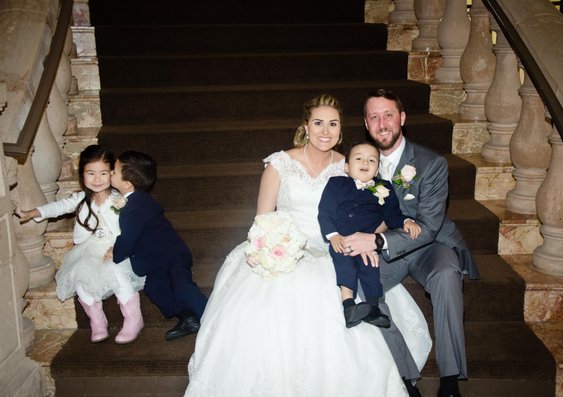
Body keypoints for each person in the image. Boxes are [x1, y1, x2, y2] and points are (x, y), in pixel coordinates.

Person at [184, 94, 431, 397]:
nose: (325, 131)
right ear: (305, 126)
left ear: (341, 130)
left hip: (336, 248)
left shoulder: (351, 164)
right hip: (284, 247)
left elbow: (378, 208)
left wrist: (367, 238)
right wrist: (267, 247)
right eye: (318, 123)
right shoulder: (279, 165)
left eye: (333, 124)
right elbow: (262, 219)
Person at [342, 88, 481, 397]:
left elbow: (429, 226)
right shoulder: (358, 161)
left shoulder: (430, 163)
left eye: (388, 115)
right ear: (366, 124)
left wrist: (377, 240)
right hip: (385, 250)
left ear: (402, 118)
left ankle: (450, 380)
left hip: (428, 245)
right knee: (361, 286)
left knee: (447, 274)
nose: (382, 124)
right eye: (374, 117)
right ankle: (405, 379)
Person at [14, 145, 146, 344]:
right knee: (80, 273)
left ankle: (134, 320)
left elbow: (135, 226)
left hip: (116, 246)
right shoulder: (81, 199)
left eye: (103, 173)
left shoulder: (120, 199)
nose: (97, 179)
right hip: (90, 246)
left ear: (112, 174)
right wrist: (33, 213)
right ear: (82, 175)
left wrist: (120, 248)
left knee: (116, 271)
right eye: (90, 173)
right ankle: (97, 321)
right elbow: (59, 206)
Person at [105, 151, 208, 341]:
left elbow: (129, 238)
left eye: (114, 171)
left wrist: (116, 253)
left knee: (182, 287)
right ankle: (187, 317)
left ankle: (212, 317)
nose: (110, 172)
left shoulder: (138, 204)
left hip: (172, 255)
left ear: (127, 184)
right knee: (154, 288)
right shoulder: (132, 202)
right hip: (154, 260)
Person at [318, 141, 421, 329]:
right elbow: (325, 211)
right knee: (345, 264)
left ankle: (373, 309)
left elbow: (392, 215)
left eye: (371, 160)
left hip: (367, 241)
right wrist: (332, 236)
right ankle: (349, 306)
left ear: (376, 170)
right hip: (342, 239)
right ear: (347, 167)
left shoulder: (385, 187)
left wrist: (406, 221)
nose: (365, 162)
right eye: (359, 158)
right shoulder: (336, 184)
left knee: (371, 266)